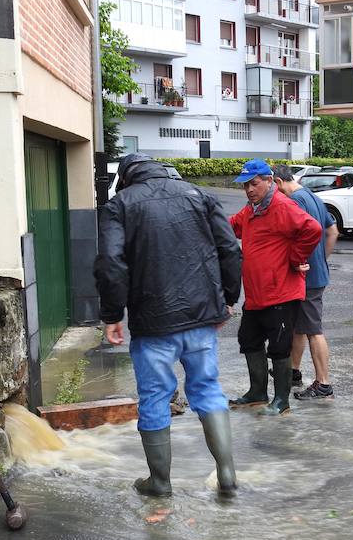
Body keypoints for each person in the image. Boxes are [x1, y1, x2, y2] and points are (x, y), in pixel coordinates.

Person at [94, 153, 242, 497]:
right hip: (202, 316)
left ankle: (160, 482)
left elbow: (111, 264)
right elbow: (230, 251)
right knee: (207, 389)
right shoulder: (200, 196)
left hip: (152, 322)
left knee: (155, 397)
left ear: (128, 179)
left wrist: (113, 315)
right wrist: (227, 301)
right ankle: (227, 472)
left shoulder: (121, 205)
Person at [228, 159, 322, 416]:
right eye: (245, 185)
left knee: (279, 347)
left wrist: (296, 258)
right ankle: (257, 392)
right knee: (248, 340)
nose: (249, 189)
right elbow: (233, 226)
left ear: (269, 181)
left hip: (280, 292)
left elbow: (312, 229)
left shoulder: (282, 206)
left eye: (254, 183)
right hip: (257, 294)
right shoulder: (251, 209)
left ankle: (282, 401)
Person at [272, 164, 339, 400]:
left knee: (313, 330)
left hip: (307, 277)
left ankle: (323, 384)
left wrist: (306, 260)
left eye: (273, 189)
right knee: (300, 327)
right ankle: (294, 372)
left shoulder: (295, 201)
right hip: (315, 273)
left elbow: (293, 237)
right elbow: (332, 231)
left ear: (278, 183)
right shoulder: (311, 195)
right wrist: (321, 258)